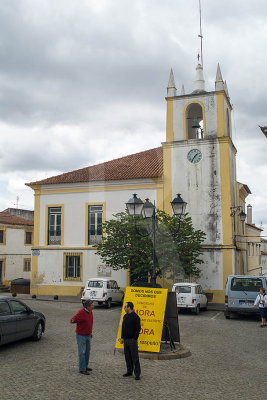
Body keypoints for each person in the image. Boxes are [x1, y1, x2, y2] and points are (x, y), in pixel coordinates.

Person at [70, 300, 94, 375]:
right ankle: (82, 369)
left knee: (87, 352)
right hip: (81, 335)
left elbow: (89, 324)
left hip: (87, 335)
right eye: (92, 305)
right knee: (82, 352)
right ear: (88, 306)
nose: (93, 306)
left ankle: (85, 366)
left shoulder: (90, 312)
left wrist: (90, 333)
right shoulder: (81, 312)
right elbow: (73, 319)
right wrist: (73, 320)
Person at [120, 301, 141, 380]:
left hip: (132, 340)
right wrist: (122, 337)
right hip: (126, 340)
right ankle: (129, 371)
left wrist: (134, 338)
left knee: (135, 357)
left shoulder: (136, 317)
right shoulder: (125, 316)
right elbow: (123, 328)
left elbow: (138, 328)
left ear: (129, 307)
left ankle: (137, 373)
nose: (124, 308)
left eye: (125, 307)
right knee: (127, 356)